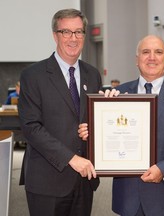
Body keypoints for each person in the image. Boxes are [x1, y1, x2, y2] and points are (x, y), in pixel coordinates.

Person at [79, 35, 164, 216]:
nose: (152, 57)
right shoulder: (117, 94)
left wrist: (163, 169)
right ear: (137, 60)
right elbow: (106, 137)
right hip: (128, 199)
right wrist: (92, 131)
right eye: (145, 52)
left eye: (158, 52)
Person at [18, 8, 102, 216]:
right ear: (55, 35)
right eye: (66, 32)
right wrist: (71, 158)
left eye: (78, 32)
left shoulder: (93, 74)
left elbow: (94, 118)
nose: (73, 38)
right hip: (47, 182)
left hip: (84, 181)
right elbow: (31, 128)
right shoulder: (33, 76)